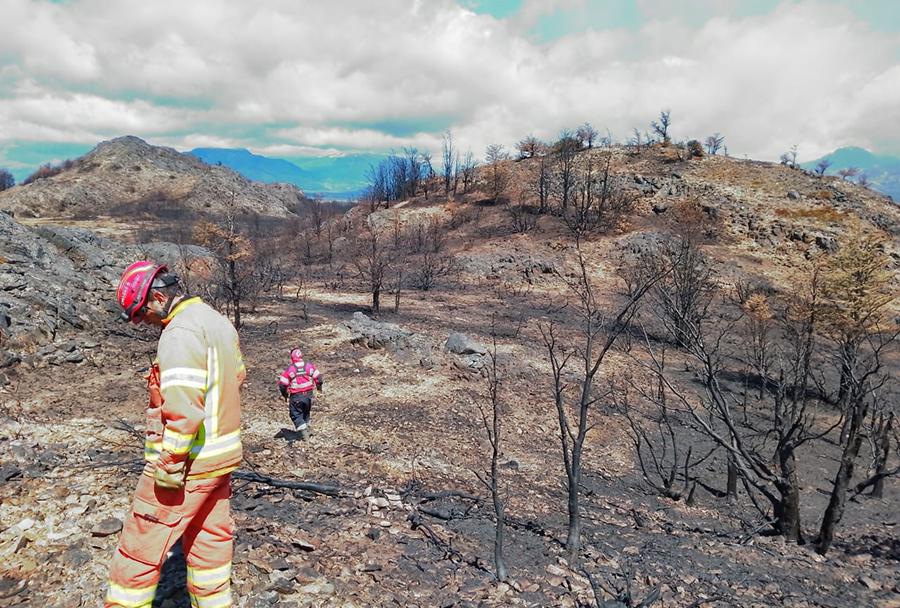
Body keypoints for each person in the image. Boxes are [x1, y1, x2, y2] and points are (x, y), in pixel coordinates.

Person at [105, 260, 245, 608]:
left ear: (155, 298)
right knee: (210, 540)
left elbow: (183, 410)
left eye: (139, 312)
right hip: (221, 458)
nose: (140, 322)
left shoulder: (180, 332)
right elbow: (237, 376)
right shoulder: (216, 321)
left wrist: (169, 464)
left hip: (188, 466)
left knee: (140, 547)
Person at [277, 348, 323, 441]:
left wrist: (285, 395)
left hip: (296, 396)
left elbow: (282, 384)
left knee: (295, 414)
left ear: (292, 357)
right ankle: (307, 428)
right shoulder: (308, 366)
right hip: (309, 395)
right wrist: (319, 389)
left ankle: (304, 434)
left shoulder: (290, 369)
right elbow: (319, 378)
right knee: (305, 412)